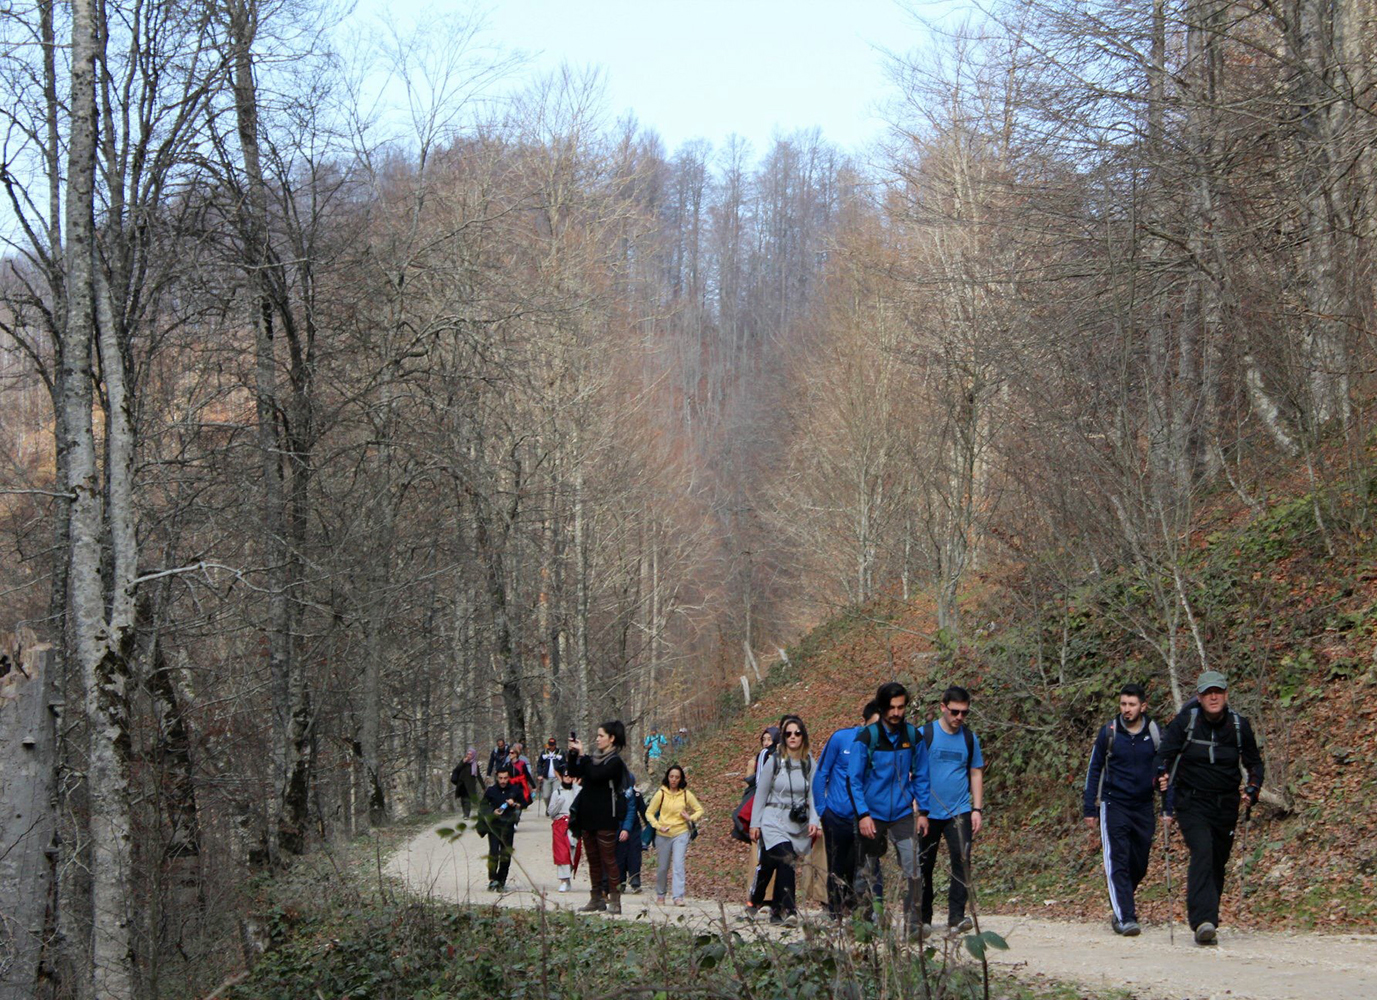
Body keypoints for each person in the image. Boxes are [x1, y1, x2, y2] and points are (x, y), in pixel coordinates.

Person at [1155, 670, 1264, 945]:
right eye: (1207, 693)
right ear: (1199, 697)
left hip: (1226, 803)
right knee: (1202, 850)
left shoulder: (1240, 726)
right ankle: (1203, 921)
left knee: (1217, 860)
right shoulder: (1186, 722)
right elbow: (1163, 757)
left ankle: (1209, 920)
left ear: (1226, 695)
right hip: (1191, 801)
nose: (1213, 697)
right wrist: (1160, 778)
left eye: (1217, 692)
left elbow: (1254, 763)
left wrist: (1253, 787)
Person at [848, 683, 929, 935]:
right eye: (891, 707)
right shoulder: (867, 738)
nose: (896, 712)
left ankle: (913, 924)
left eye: (900, 707)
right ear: (882, 708)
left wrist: (923, 811)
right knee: (866, 871)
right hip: (872, 814)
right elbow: (854, 780)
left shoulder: (913, 737)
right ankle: (863, 923)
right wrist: (863, 814)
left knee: (914, 867)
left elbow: (922, 775)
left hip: (903, 814)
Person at [1082, 683, 1161, 936]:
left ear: (1143, 706)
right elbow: (1094, 769)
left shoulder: (1154, 732)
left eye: (1132, 705)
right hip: (1114, 803)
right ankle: (1125, 916)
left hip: (1144, 805)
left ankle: (1122, 898)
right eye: (1123, 704)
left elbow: (1164, 767)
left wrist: (1166, 795)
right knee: (1117, 859)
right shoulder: (1109, 732)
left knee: (1140, 863)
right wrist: (1089, 808)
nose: (1126, 709)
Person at [917, 685, 985, 936]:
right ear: (943, 707)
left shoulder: (969, 738)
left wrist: (977, 808)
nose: (959, 718)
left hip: (959, 809)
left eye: (964, 713)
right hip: (927, 811)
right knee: (924, 864)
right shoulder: (925, 735)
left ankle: (956, 917)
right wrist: (917, 807)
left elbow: (976, 771)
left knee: (962, 861)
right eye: (955, 712)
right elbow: (912, 771)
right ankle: (922, 917)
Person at [747, 715, 821, 926]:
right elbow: (761, 793)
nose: (793, 737)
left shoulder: (809, 763)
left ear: (803, 736)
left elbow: (814, 795)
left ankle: (760, 902)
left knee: (774, 862)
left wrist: (816, 821)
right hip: (773, 817)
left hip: (797, 821)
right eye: (788, 733)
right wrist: (755, 823)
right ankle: (790, 909)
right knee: (786, 857)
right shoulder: (775, 761)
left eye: (797, 733)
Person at [814, 699, 880, 917]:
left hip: (864, 817)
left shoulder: (885, 747)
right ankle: (834, 912)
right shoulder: (841, 738)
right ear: (865, 721)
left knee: (862, 866)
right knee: (837, 865)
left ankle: (860, 911)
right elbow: (822, 773)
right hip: (836, 814)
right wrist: (822, 810)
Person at [565, 721, 634, 914]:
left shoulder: (615, 762)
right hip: (588, 816)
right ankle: (596, 898)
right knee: (593, 859)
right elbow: (573, 773)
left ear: (611, 738)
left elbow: (596, 775)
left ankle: (615, 899)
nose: (597, 739)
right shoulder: (592, 759)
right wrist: (572, 754)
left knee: (608, 859)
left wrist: (583, 755)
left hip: (606, 816)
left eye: (601, 735)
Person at [647, 764, 704, 905]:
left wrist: (690, 818)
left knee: (678, 865)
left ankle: (678, 896)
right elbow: (649, 812)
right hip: (663, 834)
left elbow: (699, 810)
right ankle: (661, 894)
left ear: (681, 779)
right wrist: (658, 826)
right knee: (662, 867)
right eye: (671, 777)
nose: (673, 780)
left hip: (681, 833)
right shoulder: (660, 793)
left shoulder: (685, 794)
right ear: (667, 777)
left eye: (677, 777)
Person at [479, 765, 524, 891]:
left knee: (505, 854)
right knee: (493, 852)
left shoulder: (515, 790)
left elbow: (524, 803)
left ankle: (501, 880)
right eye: (500, 778)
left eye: (505, 778)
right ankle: (492, 879)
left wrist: (514, 804)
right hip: (494, 826)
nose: (503, 781)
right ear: (497, 778)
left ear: (509, 777)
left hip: (508, 826)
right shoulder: (491, 791)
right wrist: (492, 811)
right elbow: (482, 806)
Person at [547, 767, 581, 893]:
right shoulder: (557, 793)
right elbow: (551, 812)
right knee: (562, 852)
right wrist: (559, 804)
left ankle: (568, 876)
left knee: (573, 851)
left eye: (570, 776)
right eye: (566, 776)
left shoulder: (578, 791)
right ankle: (563, 880)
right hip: (560, 823)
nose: (568, 778)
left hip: (574, 824)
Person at [616, 774, 649, 895]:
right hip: (618, 828)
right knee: (619, 856)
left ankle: (635, 880)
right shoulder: (615, 794)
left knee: (634, 856)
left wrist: (649, 828)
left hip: (634, 829)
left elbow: (643, 811)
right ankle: (620, 881)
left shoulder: (636, 795)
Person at [450, 747, 482, 818]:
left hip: (470, 785)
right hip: (461, 784)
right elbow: (456, 769)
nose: (468, 756)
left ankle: (467, 814)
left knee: (467, 799)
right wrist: (462, 762)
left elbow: (478, 776)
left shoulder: (475, 765)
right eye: (468, 754)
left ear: (473, 755)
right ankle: (465, 812)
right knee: (463, 799)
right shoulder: (463, 762)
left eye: (470, 754)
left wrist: (483, 786)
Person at [538, 738, 566, 809]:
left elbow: (564, 764)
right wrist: (540, 774)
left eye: (552, 745)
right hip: (546, 777)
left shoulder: (560, 752)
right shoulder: (544, 752)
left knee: (555, 794)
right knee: (546, 796)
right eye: (550, 745)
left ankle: (553, 809)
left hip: (557, 777)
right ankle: (549, 808)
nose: (551, 747)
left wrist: (562, 773)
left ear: (555, 745)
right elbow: (539, 764)